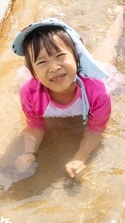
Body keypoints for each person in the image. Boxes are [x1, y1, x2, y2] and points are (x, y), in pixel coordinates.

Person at [12, 18, 111, 178]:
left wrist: (80, 157)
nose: (54, 67)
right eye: (42, 62)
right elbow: (35, 124)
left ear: (76, 57)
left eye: (60, 56)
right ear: (33, 71)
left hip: (92, 80)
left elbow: (96, 127)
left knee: (108, 51)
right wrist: (29, 152)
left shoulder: (98, 92)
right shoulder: (29, 93)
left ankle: (119, 17)